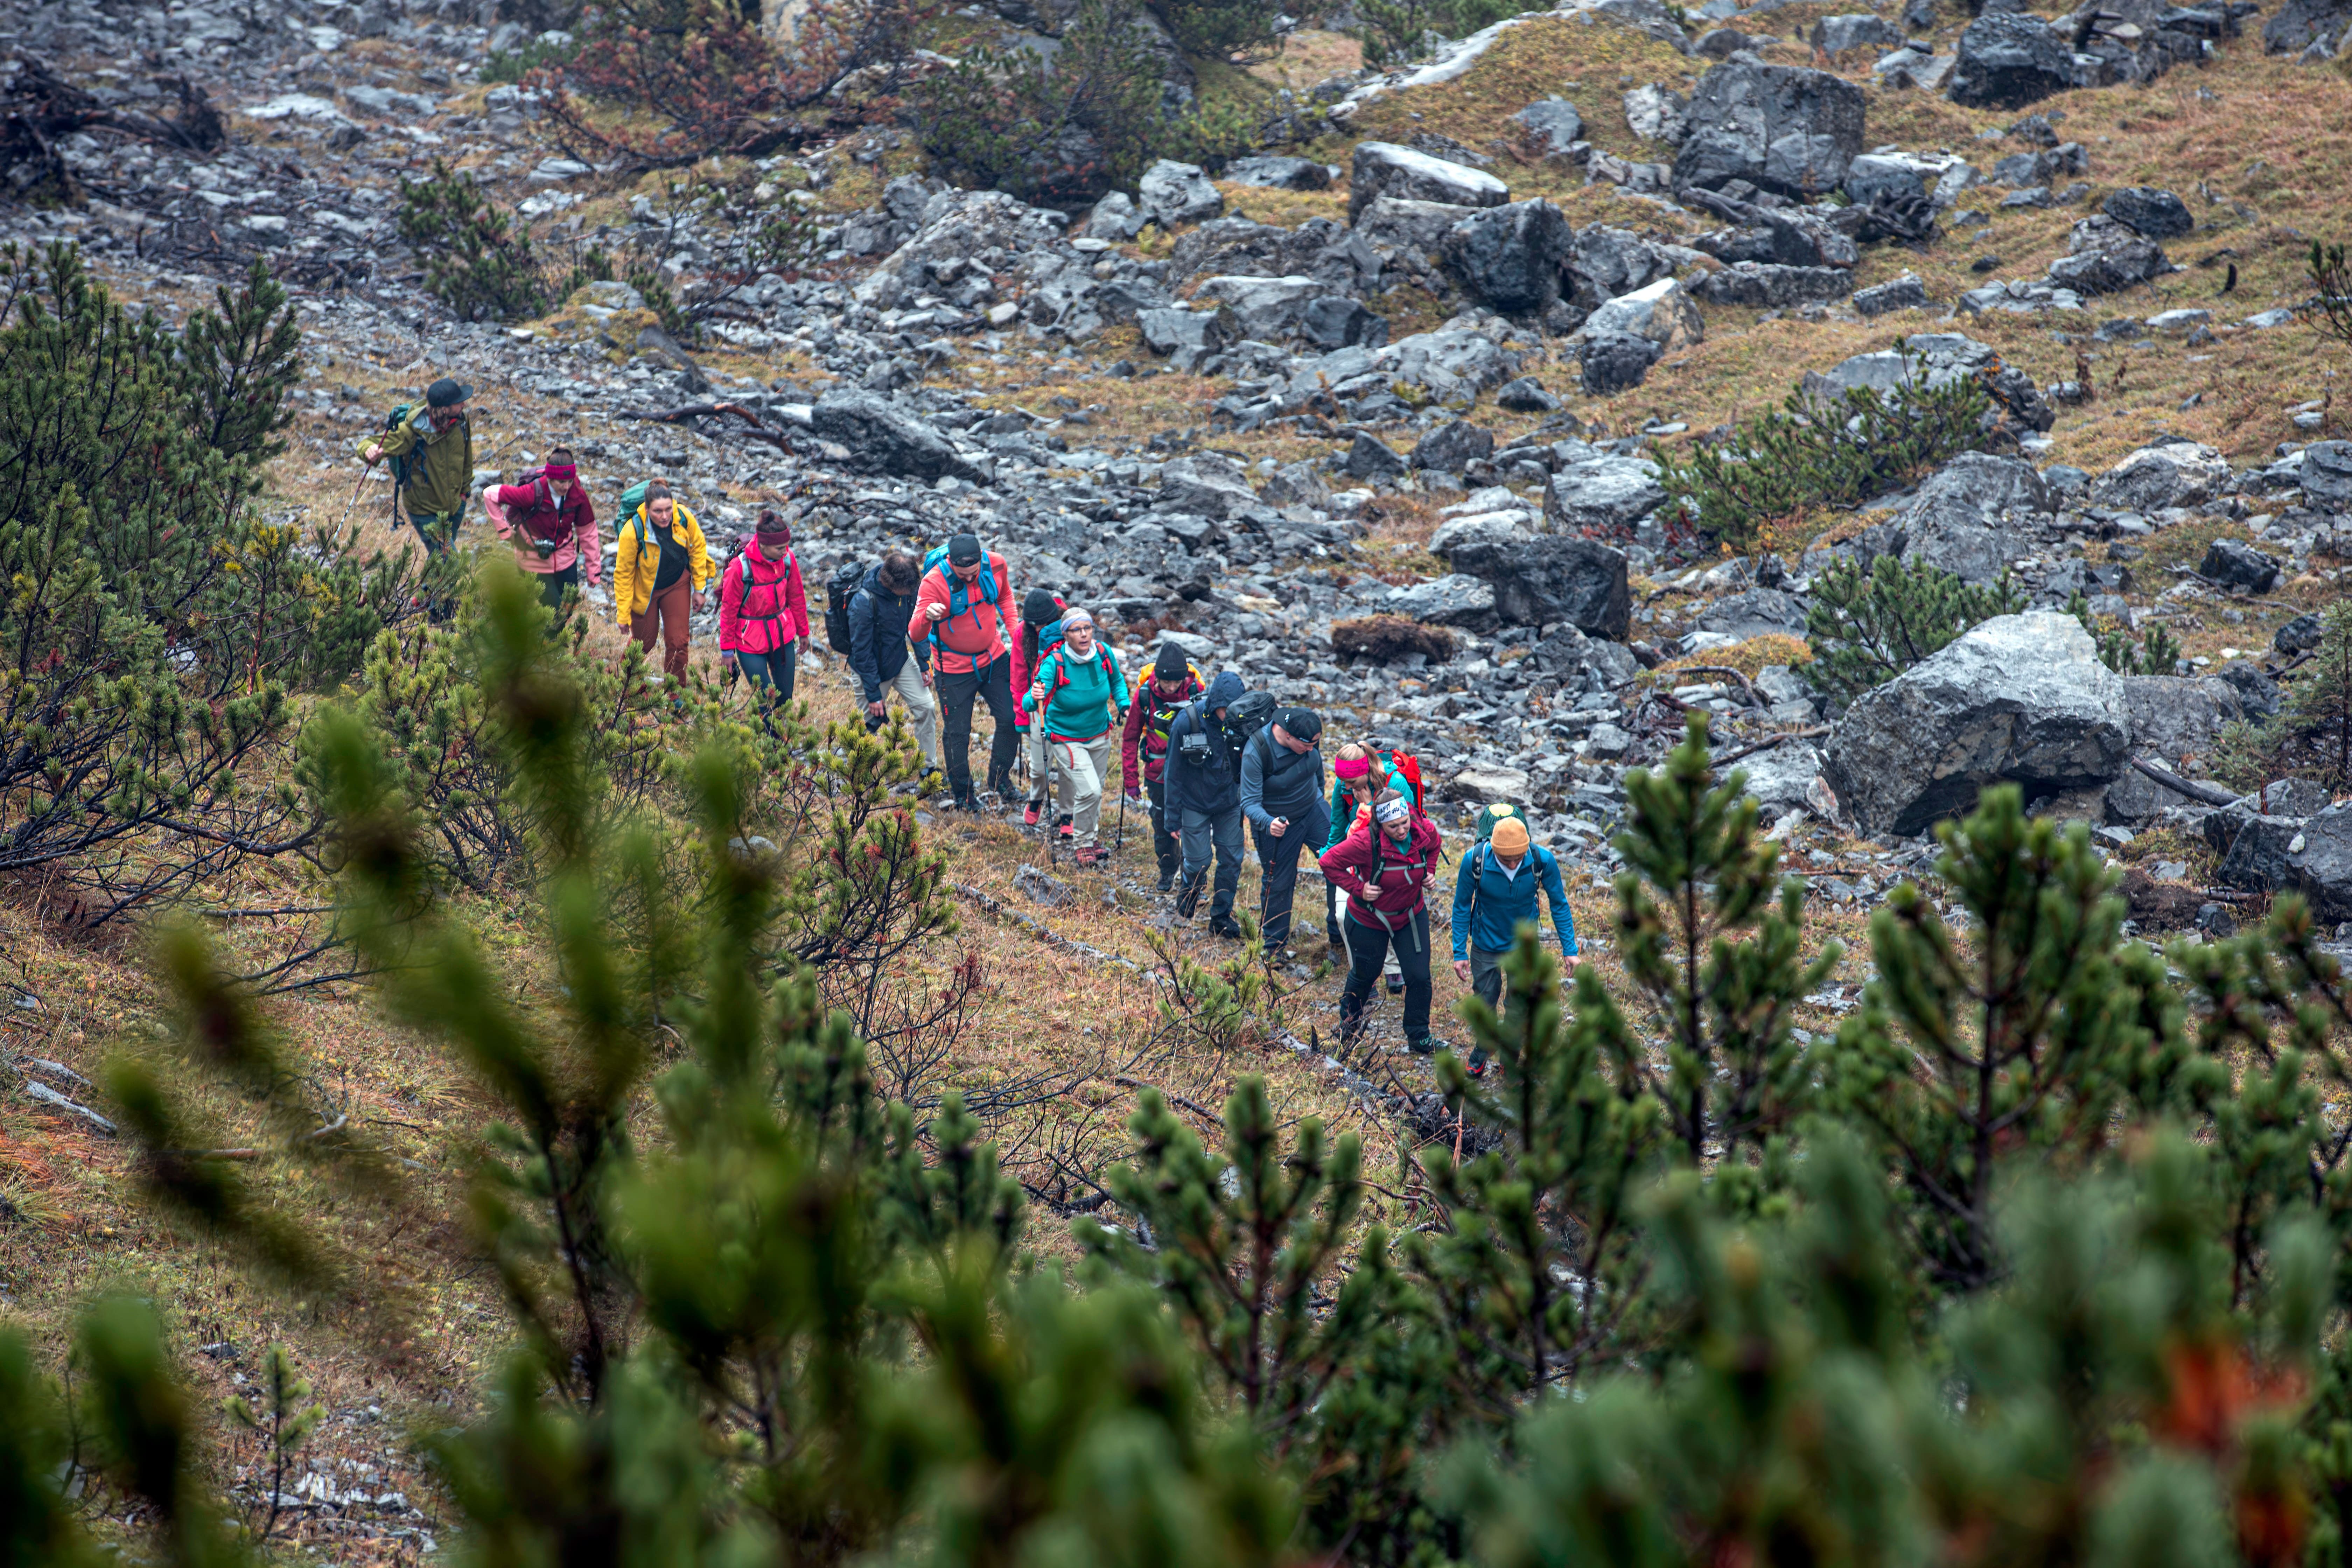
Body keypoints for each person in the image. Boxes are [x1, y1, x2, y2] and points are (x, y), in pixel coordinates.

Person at [1318, 788, 1445, 1054]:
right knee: (1365, 975)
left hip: (1411, 914)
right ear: (1381, 824)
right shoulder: (1365, 843)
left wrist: (1429, 873)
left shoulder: (1421, 828)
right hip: (1369, 919)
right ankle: (1347, 1031)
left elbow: (1435, 846)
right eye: (1393, 827)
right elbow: (1328, 862)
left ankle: (1419, 1036)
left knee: (1420, 977)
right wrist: (1358, 888)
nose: (1401, 831)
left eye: (1404, 824)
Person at [1450, 812, 1578, 1052]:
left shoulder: (1542, 860)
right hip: (1485, 943)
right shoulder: (1474, 861)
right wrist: (1459, 952)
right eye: (1505, 859)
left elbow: (1559, 904)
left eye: (1518, 858)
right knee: (1485, 1000)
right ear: (1492, 848)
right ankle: (1484, 1047)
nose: (1512, 864)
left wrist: (1569, 949)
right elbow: (1461, 906)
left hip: (1524, 946)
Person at [911, 533, 1018, 811]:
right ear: (951, 563)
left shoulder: (996, 565)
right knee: (958, 732)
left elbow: (1005, 597)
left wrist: (1015, 632)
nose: (970, 579)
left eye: (974, 573)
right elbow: (915, 632)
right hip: (953, 668)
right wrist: (926, 617)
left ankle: (1000, 780)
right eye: (963, 575)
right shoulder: (934, 582)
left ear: (982, 559)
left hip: (995, 658)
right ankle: (963, 794)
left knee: (1012, 717)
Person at [1026, 608, 1128, 867]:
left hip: (1099, 733)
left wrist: (1124, 704)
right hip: (1066, 737)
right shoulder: (1055, 662)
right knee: (1090, 790)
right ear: (1066, 634)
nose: (1084, 634)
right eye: (1077, 630)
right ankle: (1082, 844)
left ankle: (1091, 838)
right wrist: (1035, 695)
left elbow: (1116, 681)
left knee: (1096, 790)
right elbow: (1030, 700)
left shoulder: (1104, 654)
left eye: (1088, 628)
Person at [1162, 671, 1251, 937]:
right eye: (1226, 710)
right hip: (1193, 804)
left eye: (1235, 710)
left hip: (1229, 804)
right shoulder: (1187, 722)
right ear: (1215, 705)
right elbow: (1173, 773)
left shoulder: (1247, 724)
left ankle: (1221, 916)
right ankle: (1190, 889)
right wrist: (1172, 818)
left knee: (1232, 860)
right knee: (1199, 860)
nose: (1230, 716)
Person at [1325, 742, 1417, 993]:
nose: (1347, 787)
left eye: (1352, 781)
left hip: (1392, 862)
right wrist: (1330, 856)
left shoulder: (1395, 784)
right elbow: (1338, 825)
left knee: (1391, 910)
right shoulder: (1344, 786)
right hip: (1358, 860)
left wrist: (1367, 807)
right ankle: (1364, 972)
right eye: (1343, 781)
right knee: (1345, 917)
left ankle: (1392, 967)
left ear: (1366, 770)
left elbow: (1405, 830)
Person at [1239, 706, 1326, 952]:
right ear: (1288, 735)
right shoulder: (1256, 752)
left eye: (1315, 744)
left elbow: (1317, 769)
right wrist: (1269, 823)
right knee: (1279, 883)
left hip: (1313, 809)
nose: (1311, 749)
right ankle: (1273, 948)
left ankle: (1339, 934)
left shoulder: (1308, 737)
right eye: (1306, 745)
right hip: (1279, 823)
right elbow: (1249, 803)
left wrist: (1319, 795)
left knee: (1340, 860)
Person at [847, 551, 941, 773]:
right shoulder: (863, 603)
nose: (912, 593)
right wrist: (873, 694)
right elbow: (862, 652)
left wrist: (923, 661)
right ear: (890, 583)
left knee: (926, 707)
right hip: (870, 670)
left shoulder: (907, 588)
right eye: (908, 590)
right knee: (869, 721)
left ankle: (928, 769)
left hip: (900, 660)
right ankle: (856, 773)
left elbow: (916, 623)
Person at [1121, 643, 1204, 892]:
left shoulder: (1195, 691)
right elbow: (1130, 737)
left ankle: (1196, 879)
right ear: (1157, 677)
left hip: (1192, 772)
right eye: (1166, 682)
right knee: (1163, 826)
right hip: (1157, 775)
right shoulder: (1144, 695)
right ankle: (1168, 870)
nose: (1171, 687)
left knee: (1194, 825)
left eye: (1175, 682)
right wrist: (1131, 782)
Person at [359, 376, 473, 556]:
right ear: (445, 409)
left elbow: (467, 458)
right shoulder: (412, 431)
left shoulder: (461, 421)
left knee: (440, 561)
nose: (464, 405)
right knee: (450, 561)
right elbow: (370, 444)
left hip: (455, 506)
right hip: (424, 510)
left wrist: (464, 494)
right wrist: (369, 451)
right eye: (459, 403)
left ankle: (428, 586)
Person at [612, 482, 715, 680]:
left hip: (677, 583)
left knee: (679, 642)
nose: (665, 516)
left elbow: (698, 548)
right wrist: (623, 614)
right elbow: (623, 574)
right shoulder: (633, 530)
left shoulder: (683, 518)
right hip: (645, 590)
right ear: (647, 508)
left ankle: (674, 691)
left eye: (669, 509)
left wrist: (700, 588)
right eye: (658, 511)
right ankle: (623, 680)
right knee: (644, 641)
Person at [482, 448, 600, 612]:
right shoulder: (532, 493)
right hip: (533, 562)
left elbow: (587, 531)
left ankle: (548, 637)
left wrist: (594, 569)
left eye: (570, 481)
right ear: (551, 478)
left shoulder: (577, 494)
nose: (566, 487)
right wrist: (505, 532)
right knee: (554, 612)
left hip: (566, 560)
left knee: (568, 609)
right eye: (561, 482)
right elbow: (490, 494)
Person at [719, 509, 811, 711]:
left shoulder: (788, 560)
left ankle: (779, 735)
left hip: (782, 635)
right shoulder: (739, 569)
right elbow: (728, 612)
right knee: (765, 697)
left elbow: (796, 596)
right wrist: (727, 651)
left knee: (785, 697)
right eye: (779, 548)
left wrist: (804, 632)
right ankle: (770, 740)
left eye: (786, 546)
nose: (785, 552)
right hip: (749, 641)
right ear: (763, 544)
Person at [1013, 587, 1068, 834]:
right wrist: (1023, 718)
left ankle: (1069, 814)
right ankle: (1036, 799)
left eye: (1043, 625)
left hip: (1068, 708)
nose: (1037, 630)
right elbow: (1018, 677)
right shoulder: (1021, 635)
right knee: (1038, 766)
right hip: (1038, 707)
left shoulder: (1070, 626)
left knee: (1069, 763)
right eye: (1033, 625)